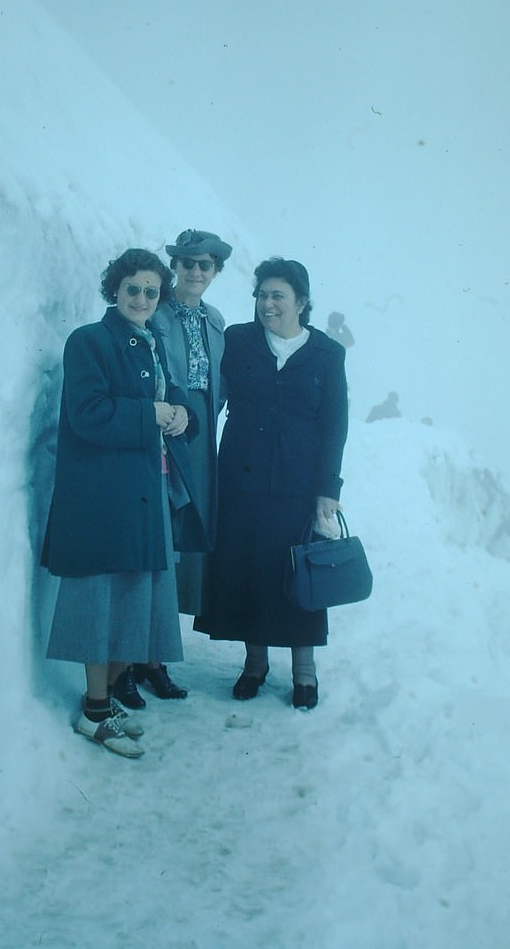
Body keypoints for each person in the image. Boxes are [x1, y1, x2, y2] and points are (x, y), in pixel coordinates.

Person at [40, 248, 206, 756]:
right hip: (102, 494)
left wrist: (182, 416)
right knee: (101, 596)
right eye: (132, 288)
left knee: (136, 596)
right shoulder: (89, 341)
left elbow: (175, 399)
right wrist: (153, 413)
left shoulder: (152, 341)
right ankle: (94, 711)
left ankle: (106, 697)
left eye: (151, 291)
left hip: (144, 491)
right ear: (115, 289)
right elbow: (88, 414)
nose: (141, 298)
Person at [194, 257, 349, 709]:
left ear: (301, 301)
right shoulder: (239, 341)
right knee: (247, 569)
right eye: (261, 295)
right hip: (241, 480)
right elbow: (213, 398)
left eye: (277, 295)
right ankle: (255, 664)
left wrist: (328, 488)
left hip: (299, 485)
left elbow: (334, 426)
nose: (267, 304)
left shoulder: (326, 354)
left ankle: (305, 670)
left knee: (299, 572)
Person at [119, 229, 232, 705]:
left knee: (180, 548)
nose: (195, 272)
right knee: (156, 542)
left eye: (204, 264)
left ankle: (153, 656)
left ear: (214, 272)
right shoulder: (154, 313)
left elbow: (217, 386)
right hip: (166, 434)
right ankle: (132, 660)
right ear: (175, 268)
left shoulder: (215, 320)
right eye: (187, 263)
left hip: (198, 437)